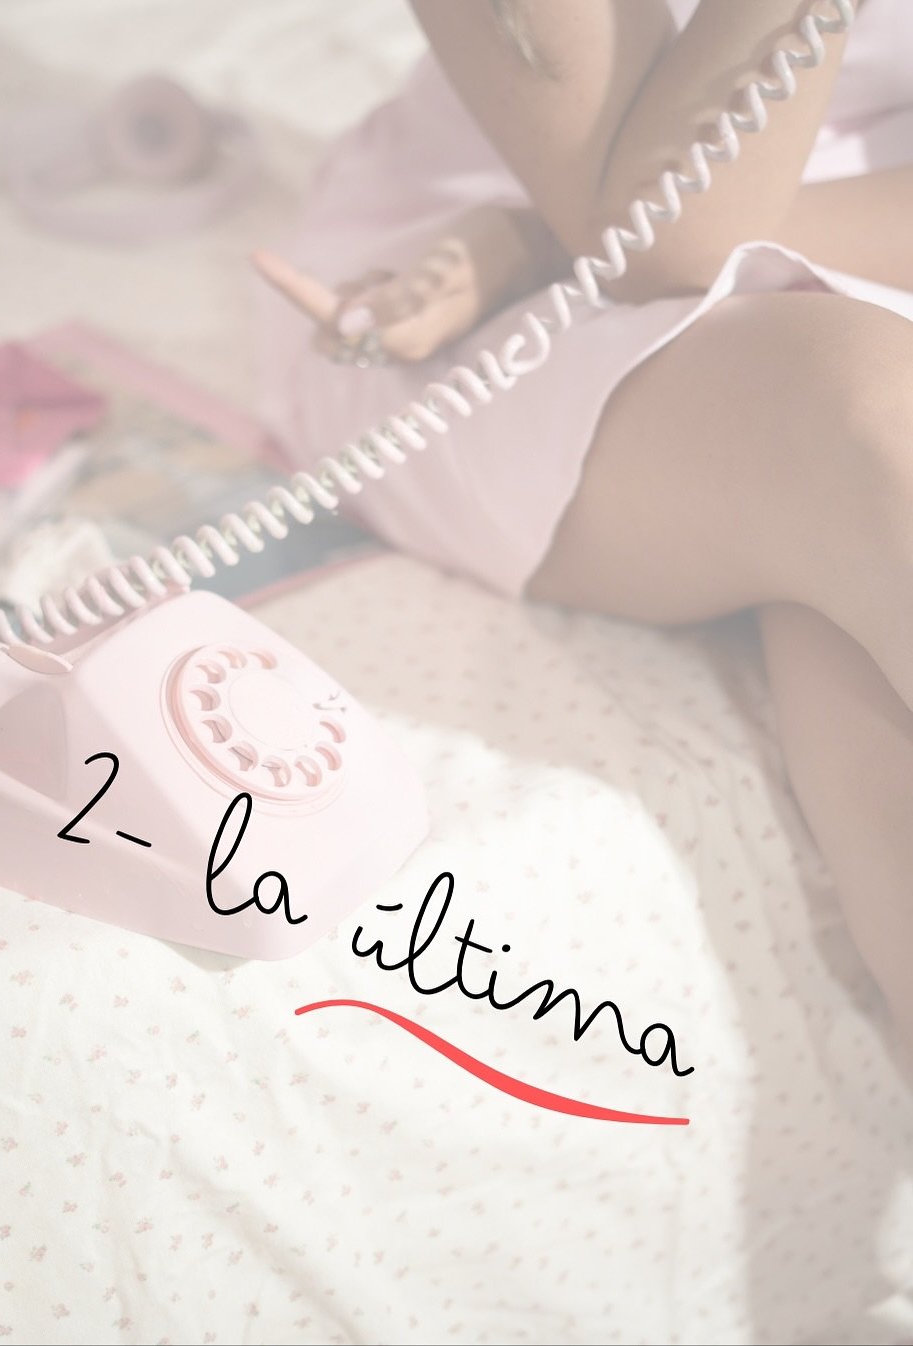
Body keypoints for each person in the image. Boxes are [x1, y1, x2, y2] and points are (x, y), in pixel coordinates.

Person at [252, 0, 913, 1054]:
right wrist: (538, 237)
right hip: (472, 300)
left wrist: (531, 243)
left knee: (858, 600)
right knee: (879, 426)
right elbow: (673, 238)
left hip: (823, 241)